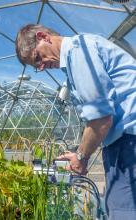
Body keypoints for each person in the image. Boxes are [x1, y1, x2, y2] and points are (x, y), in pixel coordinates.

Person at [15, 24, 136, 219]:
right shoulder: (79, 54)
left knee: (124, 211)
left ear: (42, 36)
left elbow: (100, 118)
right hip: (124, 142)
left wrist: (81, 158)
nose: (42, 66)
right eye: (37, 67)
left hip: (129, 143)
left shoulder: (78, 51)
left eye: (37, 58)